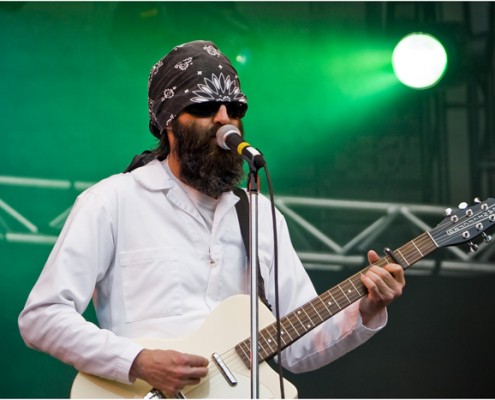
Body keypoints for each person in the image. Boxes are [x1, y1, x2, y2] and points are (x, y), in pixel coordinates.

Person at [18, 40, 405, 398]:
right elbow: (43, 316)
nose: (225, 120)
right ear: (169, 122)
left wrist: (368, 307)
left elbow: (300, 347)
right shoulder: (112, 202)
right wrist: (137, 361)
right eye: (204, 108)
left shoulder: (259, 214)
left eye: (234, 109)